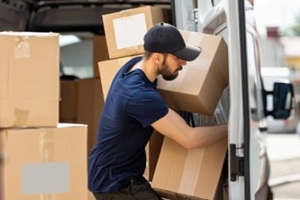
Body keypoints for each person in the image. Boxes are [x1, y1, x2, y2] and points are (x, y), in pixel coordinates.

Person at [88, 22, 228, 200]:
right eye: (177, 57)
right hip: (115, 184)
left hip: (116, 174)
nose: (183, 62)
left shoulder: (134, 67)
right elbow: (190, 139)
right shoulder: (139, 96)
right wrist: (232, 128)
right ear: (157, 58)